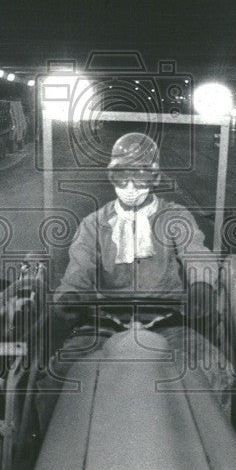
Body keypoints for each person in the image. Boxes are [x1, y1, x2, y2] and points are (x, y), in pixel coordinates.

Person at [50, 131, 219, 337]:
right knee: (63, 366)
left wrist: (202, 285)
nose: (130, 185)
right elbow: (79, 271)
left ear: (155, 177)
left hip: (170, 323)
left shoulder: (175, 217)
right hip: (104, 324)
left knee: (205, 364)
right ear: (111, 177)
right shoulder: (93, 224)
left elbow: (196, 254)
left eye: (140, 175)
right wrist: (71, 295)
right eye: (121, 175)